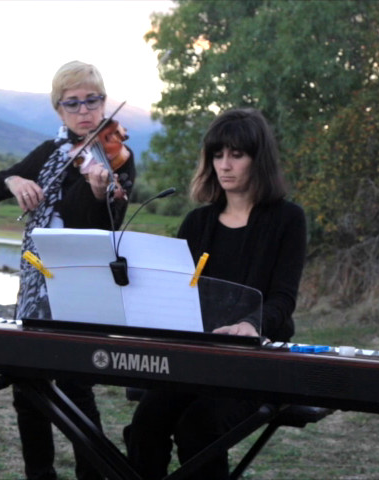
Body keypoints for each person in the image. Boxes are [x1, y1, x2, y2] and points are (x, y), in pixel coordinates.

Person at [125, 108, 307, 479]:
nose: (225, 165)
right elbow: (177, 294)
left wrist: (249, 323)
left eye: (236, 155)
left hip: (255, 363)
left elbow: (283, 298)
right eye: (217, 155)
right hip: (195, 359)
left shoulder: (288, 219)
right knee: (145, 425)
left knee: (199, 429)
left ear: (259, 160)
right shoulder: (197, 222)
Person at [0, 60, 135, 480]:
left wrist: (97, 187)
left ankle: (93, 473)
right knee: (27, 387)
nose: (84, 110)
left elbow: (97, 224)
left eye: (92, 100)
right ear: (59, 110)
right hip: (36, 284)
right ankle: (39, 473)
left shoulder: (116, 157)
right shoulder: (51, 153)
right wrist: (15, 182)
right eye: (73, 103)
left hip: (82, 284)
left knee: (74, 389)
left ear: (104, 103)